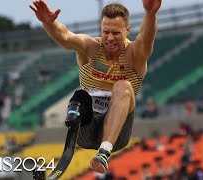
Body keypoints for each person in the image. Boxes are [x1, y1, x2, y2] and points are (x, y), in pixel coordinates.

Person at [30, 0, 162, 173]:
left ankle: (103, 153)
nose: (109, 38)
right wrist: (49, 23)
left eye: (116, 33)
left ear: (127, 31)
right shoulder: (91, 47)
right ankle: (74, 121)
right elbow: (66, 37)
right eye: (105, 32)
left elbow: (146, 39)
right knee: (80, 96)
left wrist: (150, 14)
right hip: (88, 129)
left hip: (117, 135)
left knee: (122, 86)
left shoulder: (134, 55)